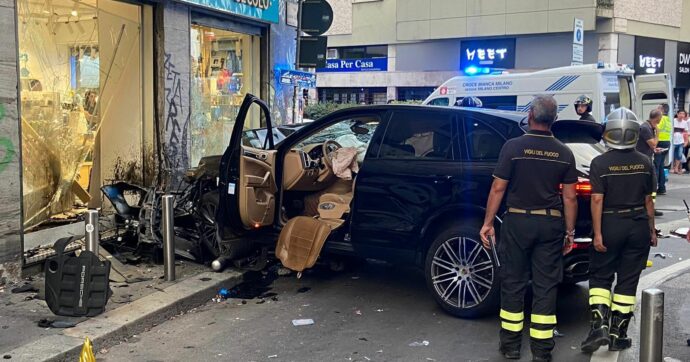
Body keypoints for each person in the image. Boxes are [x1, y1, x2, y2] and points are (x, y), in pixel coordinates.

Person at [479, 95, 577, 361]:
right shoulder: (564, 152)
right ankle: (542, 351)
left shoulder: (513, 147)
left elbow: (498, 188)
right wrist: (569, 232)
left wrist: (488, 223)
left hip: (517, 222)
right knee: (546, 286)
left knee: (513, 282)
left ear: (530, 115)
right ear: (554, 119)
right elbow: (569, 197)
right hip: (550, 224)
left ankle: (510, 346)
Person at [580, 108, 657, 353]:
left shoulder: (599, 162)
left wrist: (598, 233)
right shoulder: (645, 162)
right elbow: (649, 201)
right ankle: (617, 333)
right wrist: (652, 230)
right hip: (638, 226)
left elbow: (596, 200)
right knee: (627, 281)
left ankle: (598, 326)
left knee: (601, 277)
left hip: (610, 224)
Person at [636, 109, 664, 217]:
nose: (661, 118)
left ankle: (651, 206)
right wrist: (658, 134)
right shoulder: (645, 128)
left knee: (653, 185)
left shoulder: (649, 127)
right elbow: (653, 144)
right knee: (651, 185)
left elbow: (650, 146)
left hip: (647, 159)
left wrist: (654, 150)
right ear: (657, 118)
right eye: (661, 116)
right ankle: (647, 207)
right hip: (643, 161)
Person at [654, 104, 672, 194]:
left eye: (657, 108)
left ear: (661, 110)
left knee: (656, 166)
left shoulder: (662, 119)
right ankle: (662, 188)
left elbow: (656, 128)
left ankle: (654, 188)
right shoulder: (668, 119)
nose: (656, 110)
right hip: (667, 143)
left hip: (660, 142)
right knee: (661, 166)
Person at [672, 110, 688, 174]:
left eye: (683, 114)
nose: (682, 115)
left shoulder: (685, 122)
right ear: (677, 114)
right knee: (672, 155)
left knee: (679, 155)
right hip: (673, 141)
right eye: (680, 114)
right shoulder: (673, 120)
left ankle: (676, 168)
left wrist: (686, 141)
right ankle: (672, 168)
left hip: (681, 141)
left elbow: (686, 132)